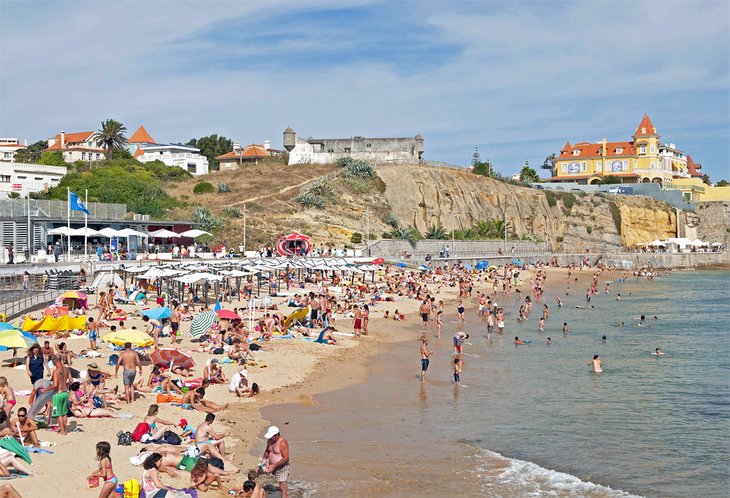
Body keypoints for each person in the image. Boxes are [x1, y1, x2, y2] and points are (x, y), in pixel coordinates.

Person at [261, 426, 290, 498]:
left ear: (277, 435)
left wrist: (274, 465)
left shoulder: (282, 443)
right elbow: (267, 451)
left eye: (272, 437)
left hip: (282, 467)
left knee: (282, 486)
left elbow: (286, 458)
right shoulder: (270, 440)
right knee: (257, 473)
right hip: (271, 466)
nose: (270, 438)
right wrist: (264, 460)